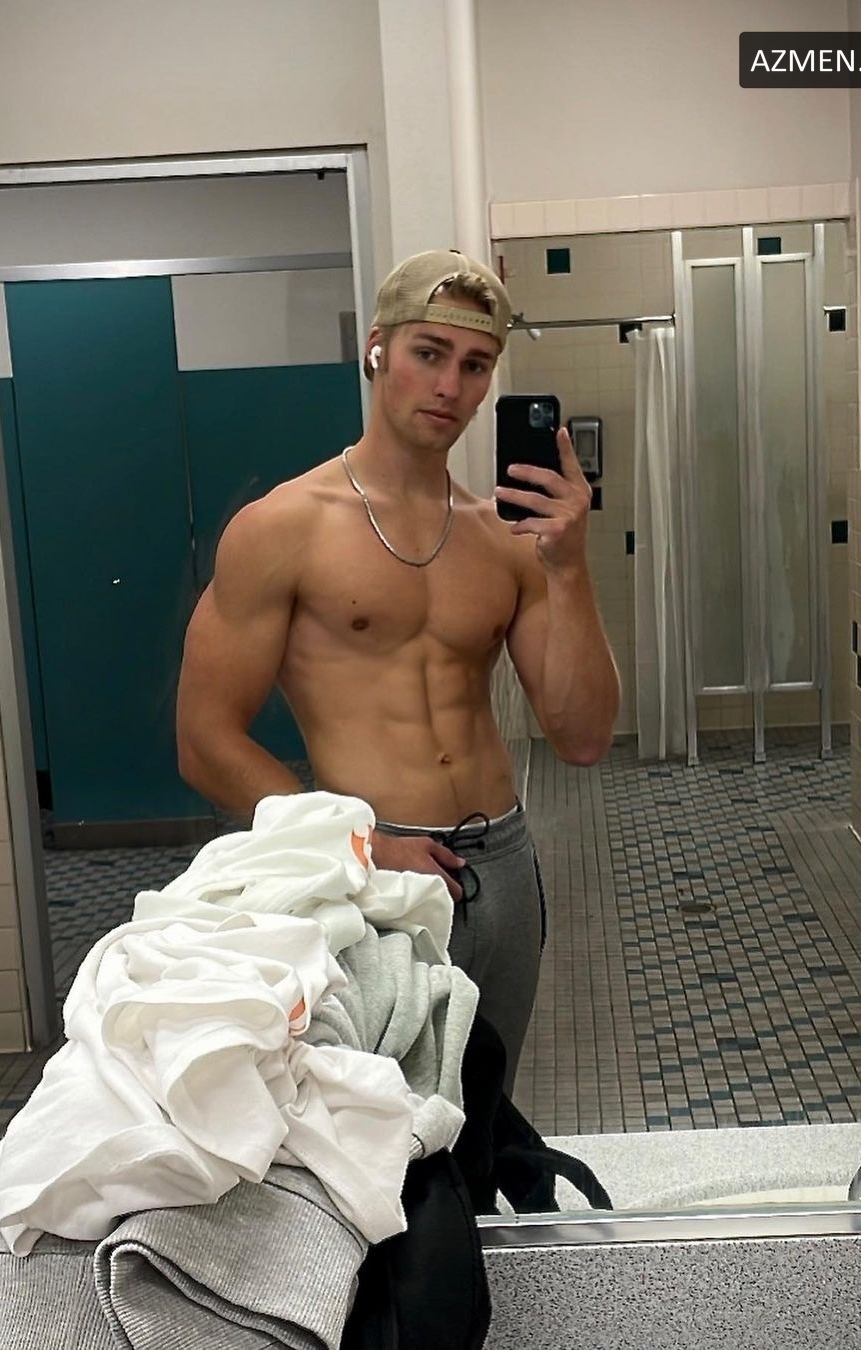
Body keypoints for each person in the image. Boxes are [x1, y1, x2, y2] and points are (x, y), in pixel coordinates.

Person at [176, 248, 620, 1089]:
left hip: (503, 865)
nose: (450, 385)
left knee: (486, 1118)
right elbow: (203, 740)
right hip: (373, 874)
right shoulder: (284, 527)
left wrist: (569, 569)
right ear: (377, 350)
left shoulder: (504, 539)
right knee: (381, 1138)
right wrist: (358, 842)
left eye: (475, 365)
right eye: (429, 353)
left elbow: (584, 735)